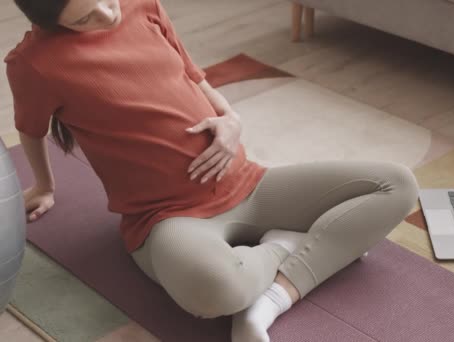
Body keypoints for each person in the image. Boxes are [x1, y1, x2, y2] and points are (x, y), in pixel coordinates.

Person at [6, 0, 420, 341]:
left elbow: (194, 77)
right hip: (168, 216)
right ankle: (285, 246)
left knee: (397, 185)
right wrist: (44, 185)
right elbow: (30, 129)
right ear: (49, 23)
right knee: (214, 295)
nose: (108, 14)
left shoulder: (142, 4)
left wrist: (231, 120)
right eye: (84, 18)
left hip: (249, 183)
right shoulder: (34, 63)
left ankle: (275, 296)